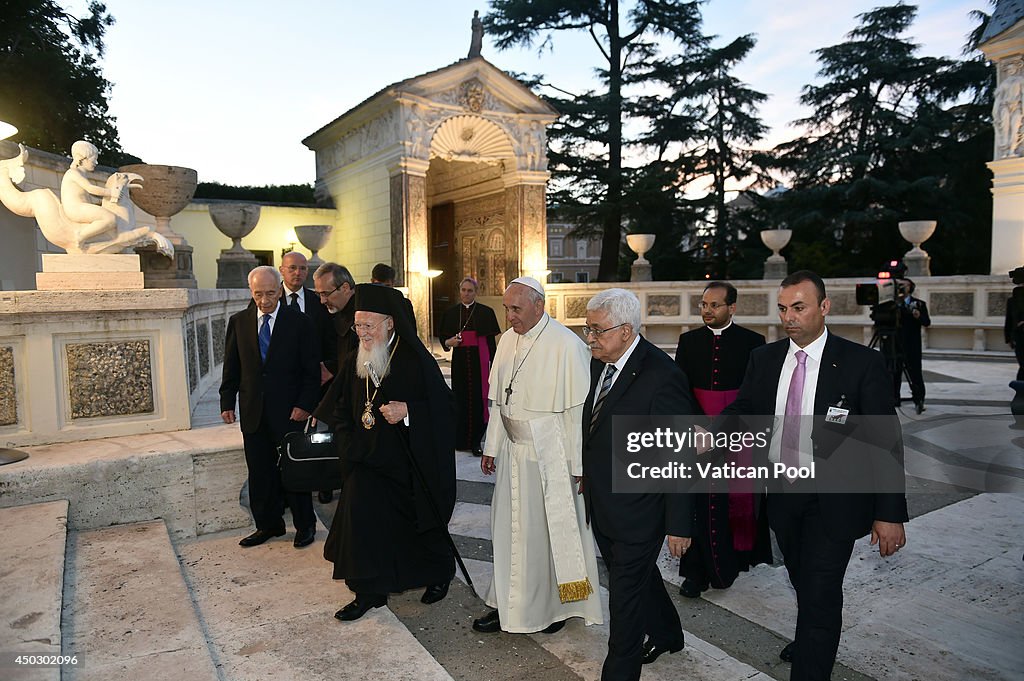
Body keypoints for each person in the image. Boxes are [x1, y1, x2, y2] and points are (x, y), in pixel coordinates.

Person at [720, 270, 908, 680]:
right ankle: (810, 637)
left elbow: (886, 442)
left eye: (799, 308)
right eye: (783, 309)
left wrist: (889, 513)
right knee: (801, 575)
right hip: (782, 495)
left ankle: (811, 663)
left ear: (824, 307)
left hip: (834, 501)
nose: (789, 317)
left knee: (821, 592)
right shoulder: (764, 359)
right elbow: (744, 408)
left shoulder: (861, 363)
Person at [473, 277, 603, 635]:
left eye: (516, 309)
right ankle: (506, 604)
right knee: (509, 533)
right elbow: (499, 399)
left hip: (551, 455)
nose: (509, 316)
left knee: (546, 537)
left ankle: (553, 609)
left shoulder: (566, 345)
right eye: (506, 308)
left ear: (538, 306)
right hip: (514, 451)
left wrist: (578, 467)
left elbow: (577, 413)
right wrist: (492, 445)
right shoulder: (507, 341)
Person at [324, 284, 457, 621]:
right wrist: (347, 443)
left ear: (390, 323)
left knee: (418, 526)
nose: (363, 334)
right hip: (365, 459)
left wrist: (409, 410)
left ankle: (438, 575)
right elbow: (340, 405)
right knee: (361, 525)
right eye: (358, 326)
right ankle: (369, 592)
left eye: (369, 326)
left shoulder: (414, 360)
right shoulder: (358, 356)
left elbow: (445, 409)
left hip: (408, 463)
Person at [582, 289, 696, 679]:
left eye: (597, 330)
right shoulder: (603, 362)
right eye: (587, 329)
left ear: (626, 330)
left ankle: (619, 672)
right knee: (639, 578)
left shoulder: (663, 377)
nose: (590, 338)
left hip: (640, 509)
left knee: (625, 598)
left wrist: (679, 524)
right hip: (604, 502)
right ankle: (667, 633)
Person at [674, 282, 772, 599]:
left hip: (738, 430)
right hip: (699, 430)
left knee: (735, 498)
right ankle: (695, 572)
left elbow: (755, 392)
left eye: (714, 305)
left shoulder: (753, 343)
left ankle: (735, 560)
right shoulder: (688, 342)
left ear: (732, 307)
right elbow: (680, 390)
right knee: (698, 501)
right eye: (703, 304)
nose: (707, 310)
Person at [220, 266, 320, 549]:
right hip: (253, 411)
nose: (264, 300)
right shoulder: (238, 321)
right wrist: (227, 401)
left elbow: (311, 371)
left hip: (290, 411)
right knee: (259, 472)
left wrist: (304, 405)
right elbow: (232, 366)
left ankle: (305, 526)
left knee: (295, 472)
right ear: (250, 292)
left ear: (280, 289)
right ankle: (268, 525)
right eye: (258, 294)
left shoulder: (299, 322)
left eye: (269, 293)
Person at [310, 261, 358, 502]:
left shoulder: (364, 315)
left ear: (346, 288)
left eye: (325, 294)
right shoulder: (339, 315)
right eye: (318, 294)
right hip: (344, 398)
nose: (322, 301)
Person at [438, 277, 500, 456]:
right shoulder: (451, 313)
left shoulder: (485, 312)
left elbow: (490, 343)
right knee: (460, 400)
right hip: (459, 365)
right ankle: (461, 440)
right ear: (460, 291)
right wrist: (450, 342)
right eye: (463, 290)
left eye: (470, 290)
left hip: (479, 364)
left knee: (478, 403)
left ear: (476, 292)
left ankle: (475, 442)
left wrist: (494, 365)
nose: (466, 293)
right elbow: (445, 340)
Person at [60, 140, 117, 238]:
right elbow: (90, 188)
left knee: (108, 219)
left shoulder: (81, 174)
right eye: (94, 159)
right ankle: (80, 236)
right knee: (110, 218)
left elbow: (91, 193)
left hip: (80, 207)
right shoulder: (73, 173)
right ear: (82, 158)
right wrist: (111, 192)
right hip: (75, 209)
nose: (96, 162)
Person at [894, 278, 931, 414]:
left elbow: (927, 322)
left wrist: (918, 316)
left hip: (912, 346)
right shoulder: (892, 305)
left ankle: (919, 399)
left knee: (915, 373)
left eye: (903, 285)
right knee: (894, 373)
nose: (900, 287)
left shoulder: (919, 304)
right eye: (898, 285)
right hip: (895, 344)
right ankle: (894, 398)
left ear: (910, 287)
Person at [371, 262, 416, 327]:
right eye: (379, 286)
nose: (384, 290)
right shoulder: (365, 304)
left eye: (387, 286)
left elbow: (410, 332)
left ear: (393, 283)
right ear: (372, 282)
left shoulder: (404, 304)